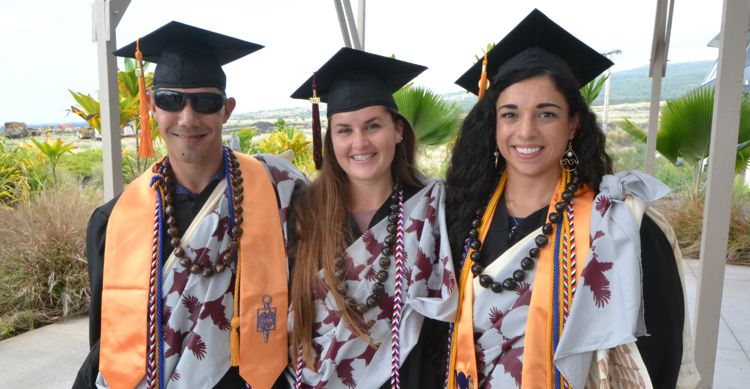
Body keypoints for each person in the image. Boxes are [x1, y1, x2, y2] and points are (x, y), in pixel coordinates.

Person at [444, 9, 701, 389]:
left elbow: (656, 358)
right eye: (510, 114)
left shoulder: (617, 227)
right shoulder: (462, 215)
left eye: (546, 114)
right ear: (493, 123)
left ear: (573, 124)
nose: (526, 131)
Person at [73, 21, 306, 389]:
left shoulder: (280, 196)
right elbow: (110, 341)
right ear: (151, 106)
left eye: (205, 101)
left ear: (226, 110)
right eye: (170, 100)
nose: (187, 117)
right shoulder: (115, 220)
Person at [287, 47, 457, 389]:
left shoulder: (436, 209)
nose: (360, 142)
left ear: (397, 130)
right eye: (344, 130)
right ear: (330, 138)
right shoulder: (304, 213)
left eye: (372, 126)